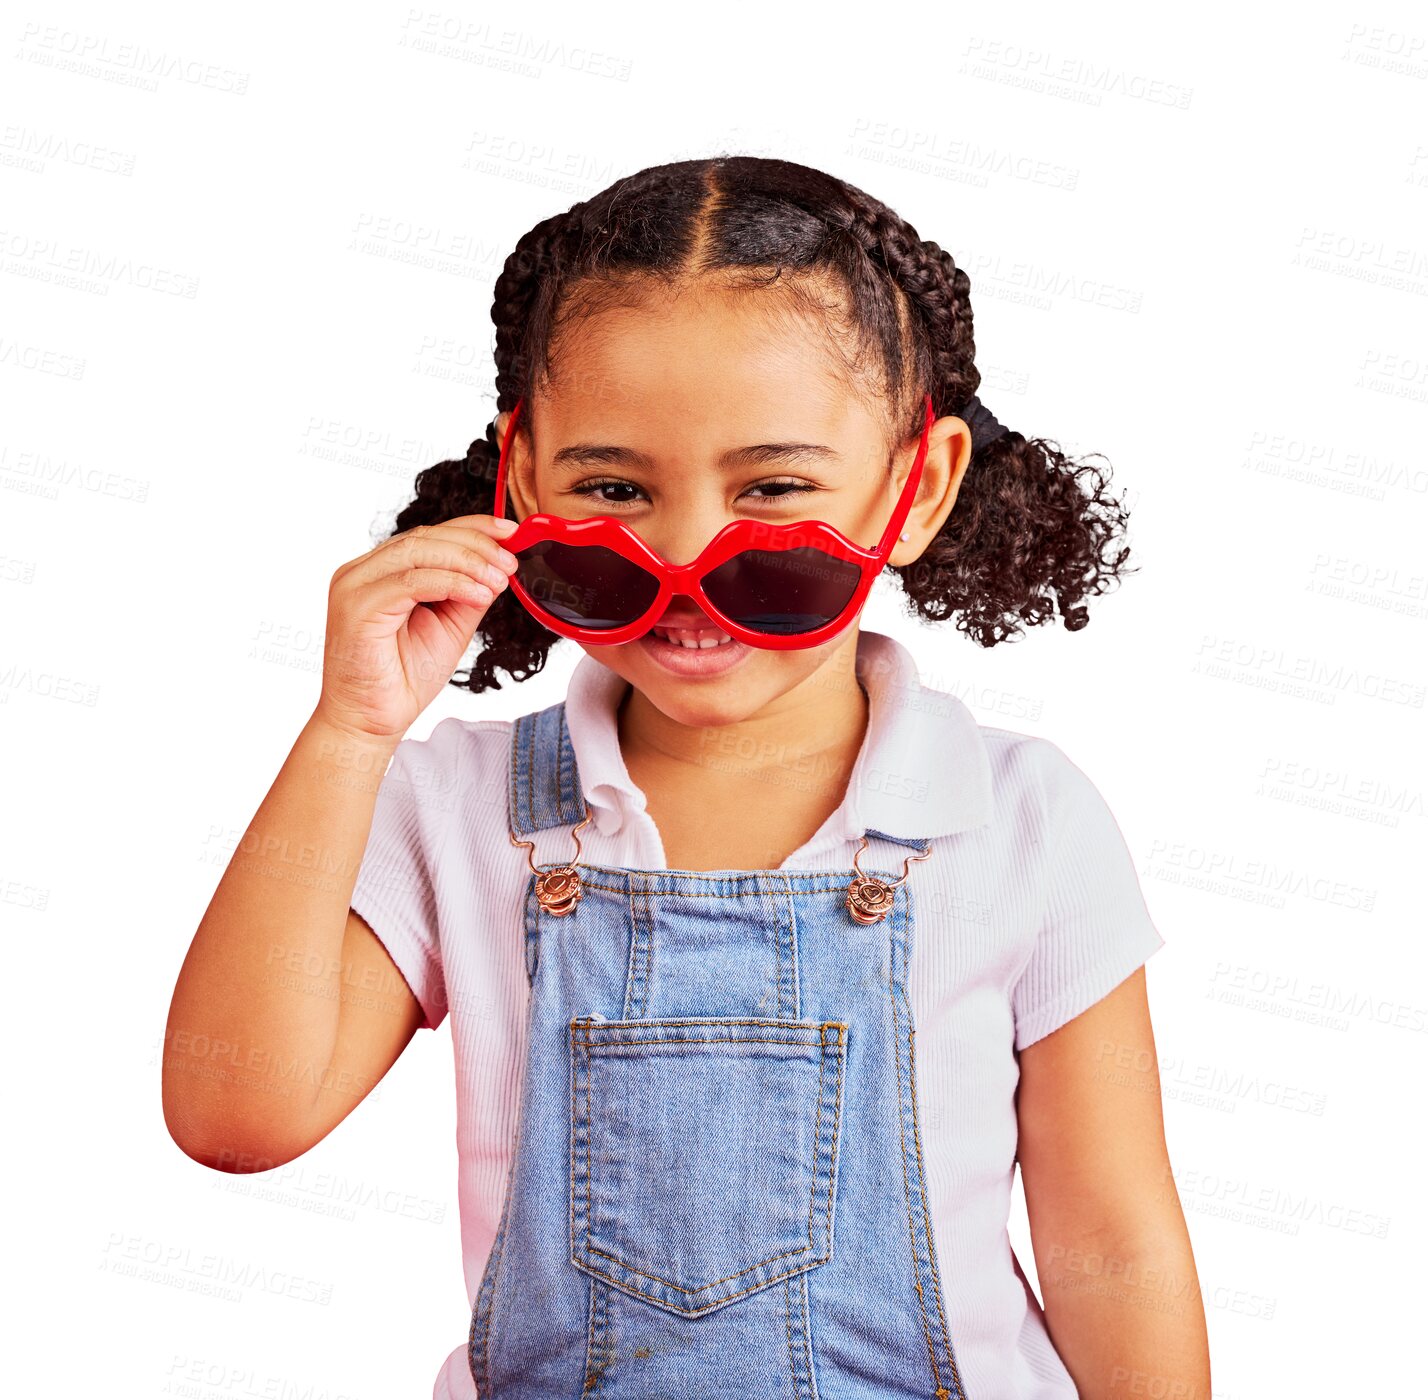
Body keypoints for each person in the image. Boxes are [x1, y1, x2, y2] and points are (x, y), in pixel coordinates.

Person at [164, 156, 1211, 1398]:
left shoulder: (1022, 818)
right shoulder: (455, 808)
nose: (683, 562)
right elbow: (236, 1113)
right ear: (524, 477)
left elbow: (1110, 1243)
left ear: (914, 487)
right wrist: (349, 729)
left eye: (771, 490)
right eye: (613, 489)